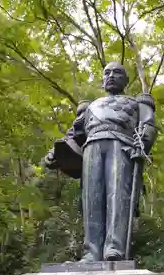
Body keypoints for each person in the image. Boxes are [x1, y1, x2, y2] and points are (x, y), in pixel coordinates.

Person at [47, 62, 156, 262]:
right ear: (102, 79)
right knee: (92, 199)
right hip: (92, 148)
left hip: (121, 145)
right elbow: (74, 134)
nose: (111, 76)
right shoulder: (91, 107)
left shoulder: (136, 103)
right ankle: (91, 251)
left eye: (117, 72)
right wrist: (55, 152)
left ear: (126, 79)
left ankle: (114, 247)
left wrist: (143, 144)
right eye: (107, 73)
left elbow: (148, 126)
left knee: (118, 196)